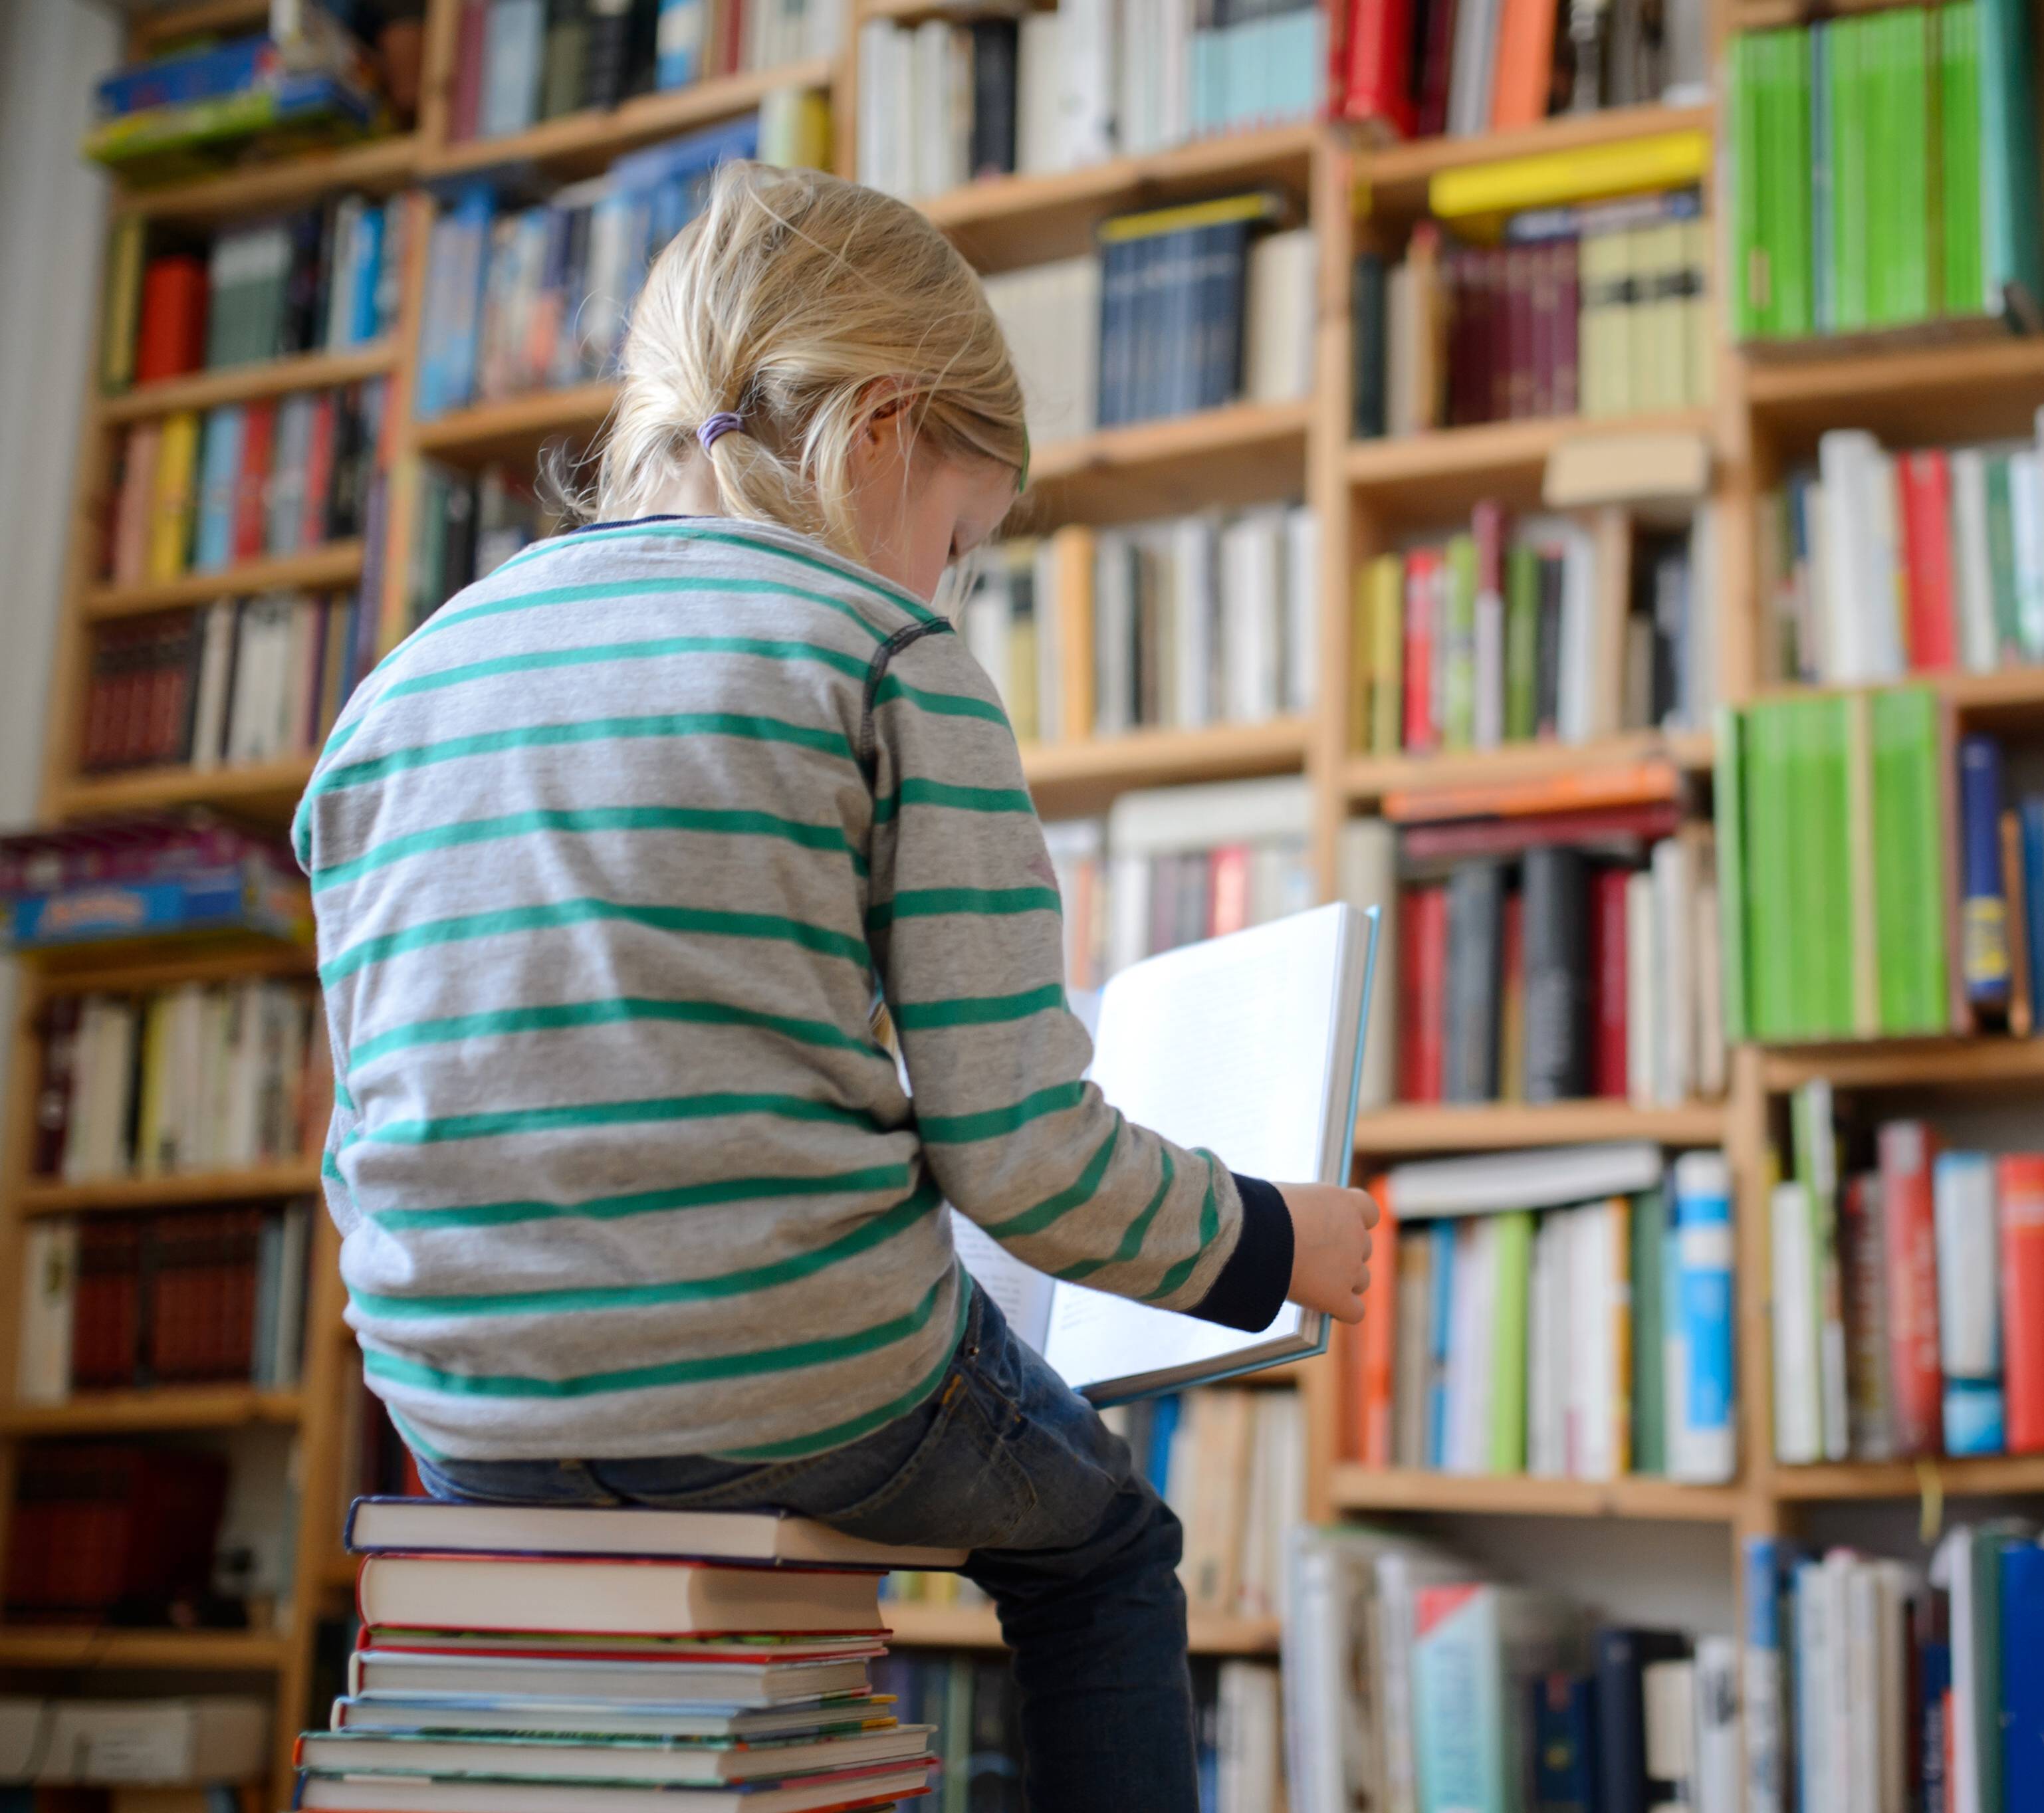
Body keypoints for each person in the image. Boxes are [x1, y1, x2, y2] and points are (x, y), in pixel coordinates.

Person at [298, 161, 1377, 1810]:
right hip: (789, 1380)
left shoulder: (395, 689)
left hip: (463, 1402)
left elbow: (381, 1113)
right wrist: (1276, 1241)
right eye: (959, 541)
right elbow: (1024, 1162)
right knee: (1105, 1546)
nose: (943, 587)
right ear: (878, 426)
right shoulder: (883, 656)